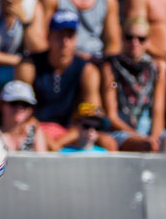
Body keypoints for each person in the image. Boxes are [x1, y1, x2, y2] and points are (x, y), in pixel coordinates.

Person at [14, 10, 103, 149]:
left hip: (71, 133)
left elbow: (91, 116)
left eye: (70, 36)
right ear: (48, 36)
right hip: (34, 130)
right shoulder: (29, 66)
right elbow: (19, 110)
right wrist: (45, 139)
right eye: (59, 36)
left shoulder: (87, 71)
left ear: (76, 39)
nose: (65, 42)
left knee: (109, 142)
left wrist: (59, 142)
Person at [101, 18, 166, 152]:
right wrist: (141, 138)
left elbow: (158, 111)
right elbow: (112, 116)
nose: (134, 42)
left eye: (141, 39)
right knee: (146, 146)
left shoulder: (157, 67)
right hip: (122, 130)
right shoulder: (111, 67)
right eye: (129, 37)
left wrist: (154, 137)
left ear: (148, 41)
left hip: (148, 128)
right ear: (122, 39)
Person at [0, 79, 47, 151]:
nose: (19, 108)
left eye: (25, 104)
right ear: (2, 105)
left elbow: (43, 160)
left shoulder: (35, 132)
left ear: (31, 109)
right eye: (14, 103)